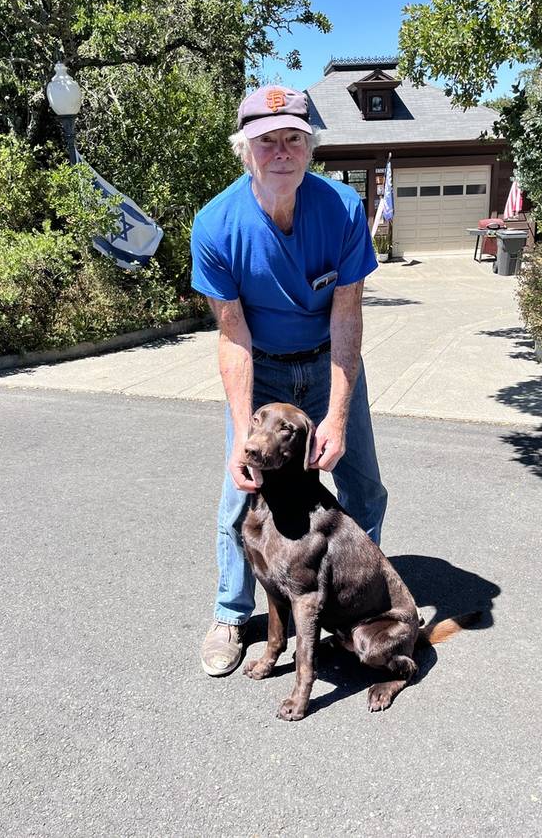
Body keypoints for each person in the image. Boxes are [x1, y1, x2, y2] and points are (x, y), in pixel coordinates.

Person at [190, 85, 388, 676]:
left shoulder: (343, 209)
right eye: (267, 140)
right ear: (245, 150)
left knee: (364, 488)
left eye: (294, 138)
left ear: (310, 146)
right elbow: (233, 336)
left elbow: (347, 312)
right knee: (241, 494)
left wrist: (336, 413)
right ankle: (231, 613)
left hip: (331, 359)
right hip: (266, 364)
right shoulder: (216, 224)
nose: (282, 150)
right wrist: (241, 436)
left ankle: (355, 601)